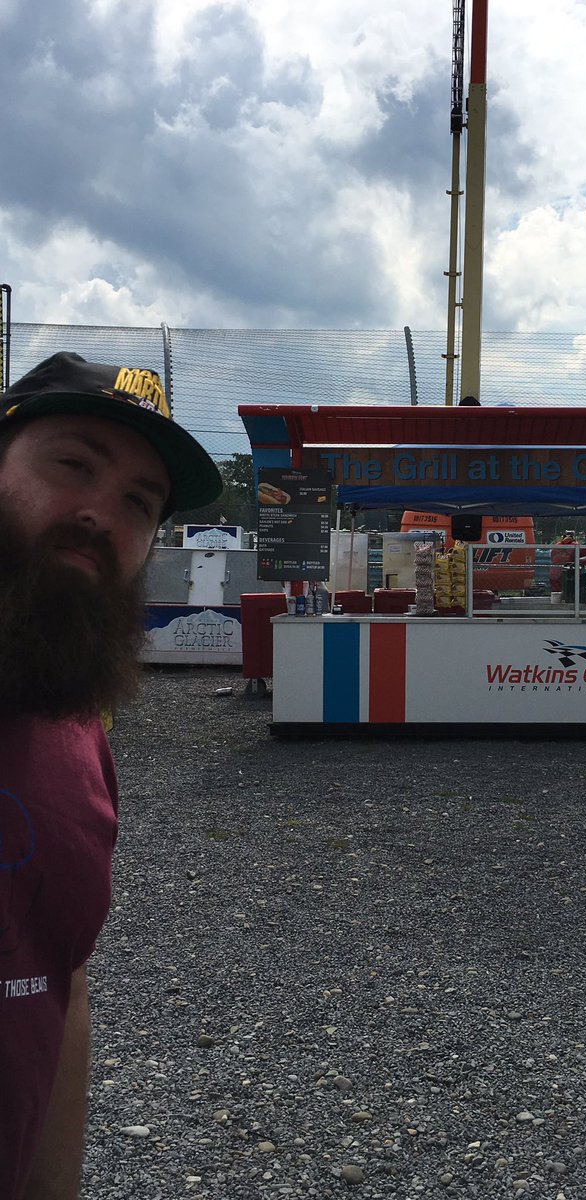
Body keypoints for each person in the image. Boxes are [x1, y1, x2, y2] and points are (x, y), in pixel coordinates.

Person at [0, 351, 222, 1199]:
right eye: (73, 464)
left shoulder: (77, 731)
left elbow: (60, 979)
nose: (99, 513)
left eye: (139, 501)